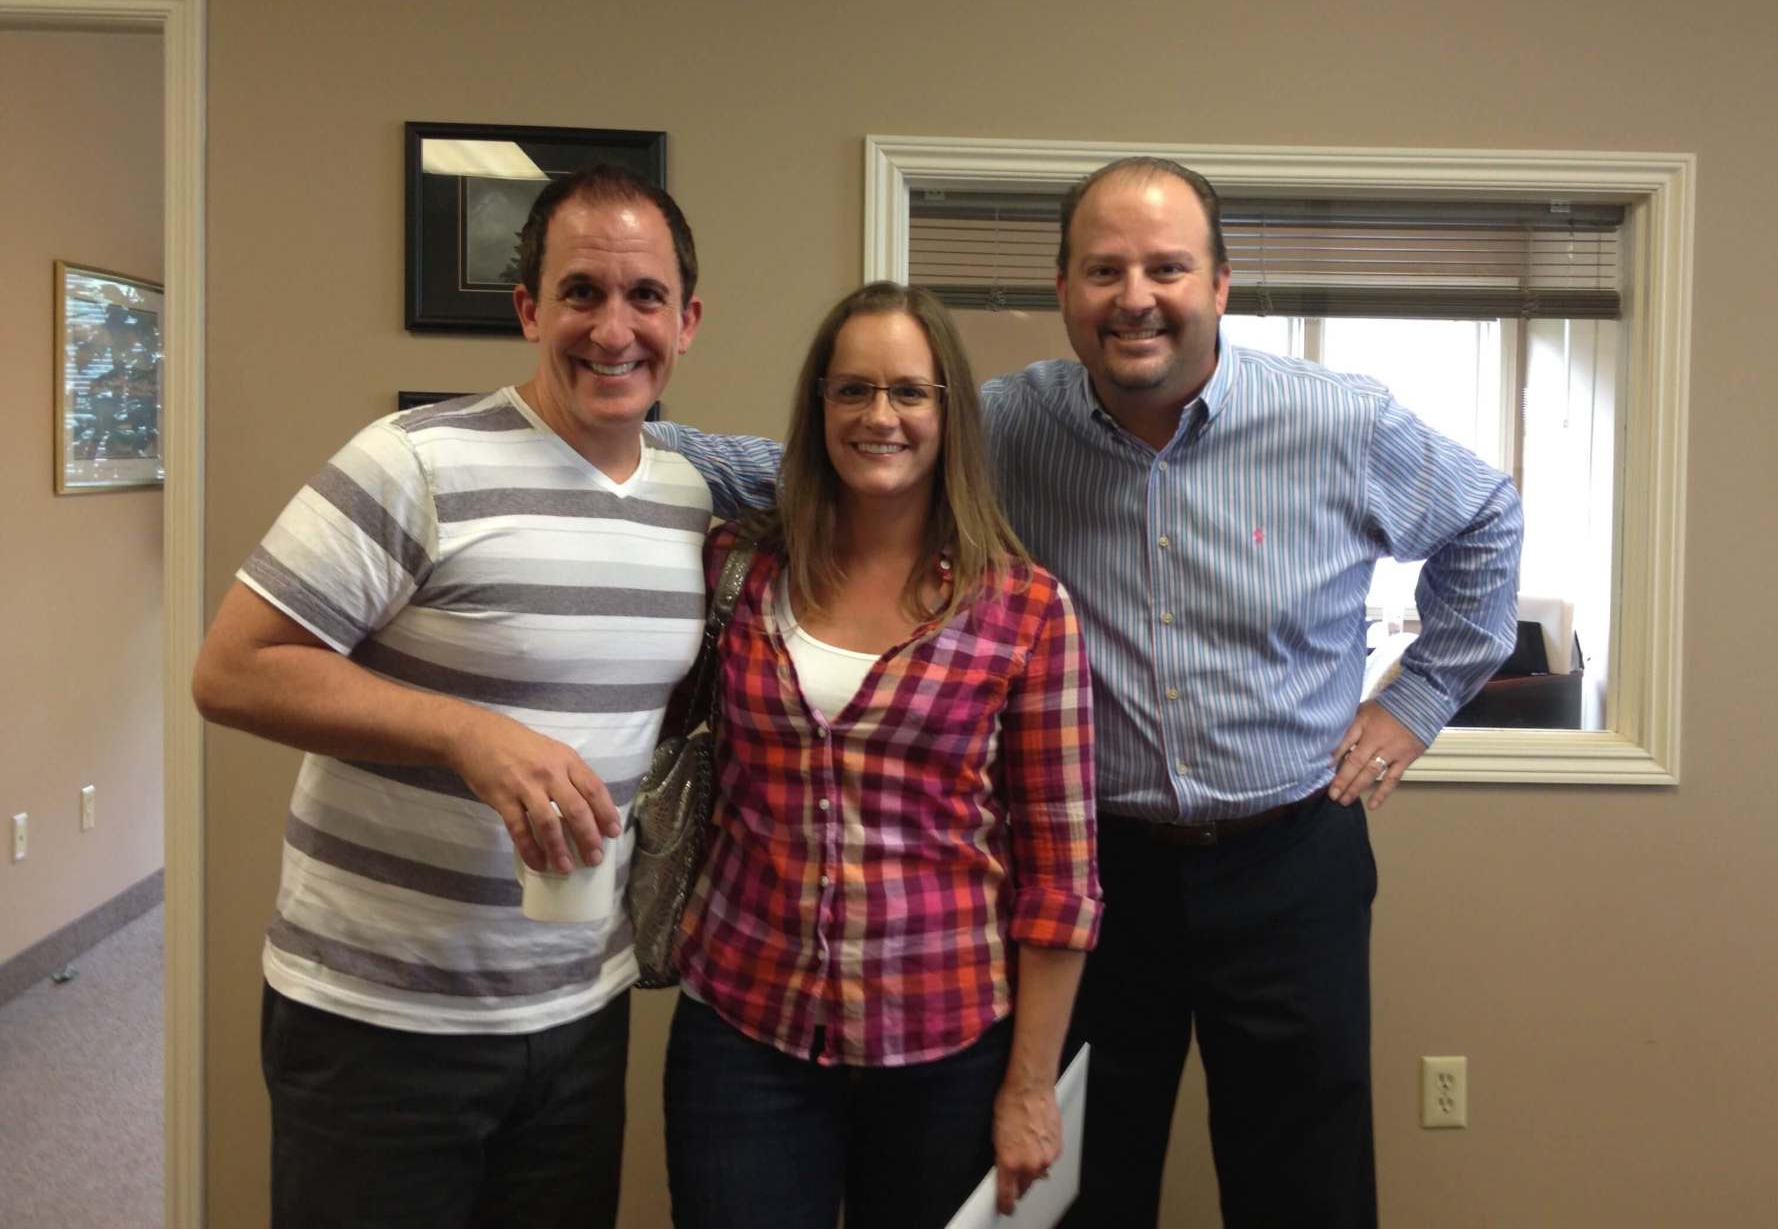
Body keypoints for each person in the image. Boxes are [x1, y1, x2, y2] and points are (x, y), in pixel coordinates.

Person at [191, 165, 777, 1228]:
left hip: (578, 1015)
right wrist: (464, 731)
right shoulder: (412, 461)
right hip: (380, 1019)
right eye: (581, 294)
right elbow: (233, 668)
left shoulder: (693, 500)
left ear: (687, 321)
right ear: (529, 311)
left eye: (645, 297)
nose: (613, 329)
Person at [978, 157, 1524, 1228]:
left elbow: (1485, 517)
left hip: (1291, 865)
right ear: (1063, 290)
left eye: (1167, 267)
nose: (1136, 295)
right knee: (1069, 1183)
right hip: (1088, 877)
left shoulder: (1339, 423)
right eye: (1104, 269)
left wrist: (1414, 704)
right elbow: (830, 468)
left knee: (1306, 1189)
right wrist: (613, 442)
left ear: (1220, 285)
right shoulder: (1003, 429)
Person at [661, 282, 1102, 1229]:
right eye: (852, 390)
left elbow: (1062, 881)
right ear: (818, 408)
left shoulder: (1025, 611)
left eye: (909, 392)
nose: (879, 417)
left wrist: (1030, 1088)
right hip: (743, 1034)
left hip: (946, 1048)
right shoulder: (738, 569)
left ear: (949, 413)